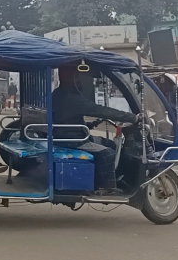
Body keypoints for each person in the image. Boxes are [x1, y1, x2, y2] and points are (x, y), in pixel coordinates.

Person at [52, 66, 141, 194]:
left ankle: (111, 178)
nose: (79, 81)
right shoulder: (71, 98)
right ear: (68, 78)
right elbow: (101, 110)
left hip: (72, 135)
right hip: (72, 140)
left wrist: (89, 125)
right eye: (76, 77)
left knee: (110, 143)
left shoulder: (59, 93)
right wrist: (132, 117)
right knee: (108, 153)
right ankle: (106, 188)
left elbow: (65, 118)